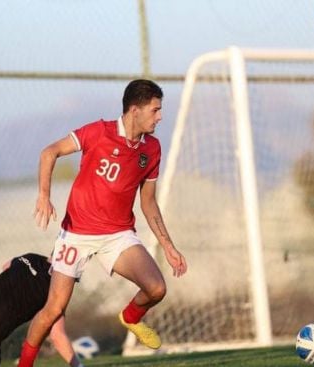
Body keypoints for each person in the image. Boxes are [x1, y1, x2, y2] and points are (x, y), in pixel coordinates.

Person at [18, 79, 188, 367]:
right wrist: (44, 196)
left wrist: (168, 246)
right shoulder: (98, 132)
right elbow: (50, 152)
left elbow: (148, 202)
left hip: (118, 235)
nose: (160, 116)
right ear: (135, 109)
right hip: (75, 235)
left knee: (156, 288)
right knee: (54, 308)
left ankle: (131, 317)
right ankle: (24, 364)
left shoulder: (152, 149)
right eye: (155, 110)